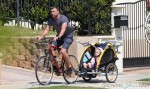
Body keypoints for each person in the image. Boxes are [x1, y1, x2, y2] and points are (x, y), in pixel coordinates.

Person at [38, 6, 74, 75]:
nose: (52, 13)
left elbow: (63, 29)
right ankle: (55, 66)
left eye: (53, 11)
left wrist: (59, 36)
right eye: (51, 12)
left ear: (58, 11)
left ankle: (69, 67)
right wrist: (41, 36)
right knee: (51, 48)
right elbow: (47, 29)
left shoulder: (63, 18)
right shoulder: (51, 20)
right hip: (59, 37)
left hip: (68, 36)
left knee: (63, 51)